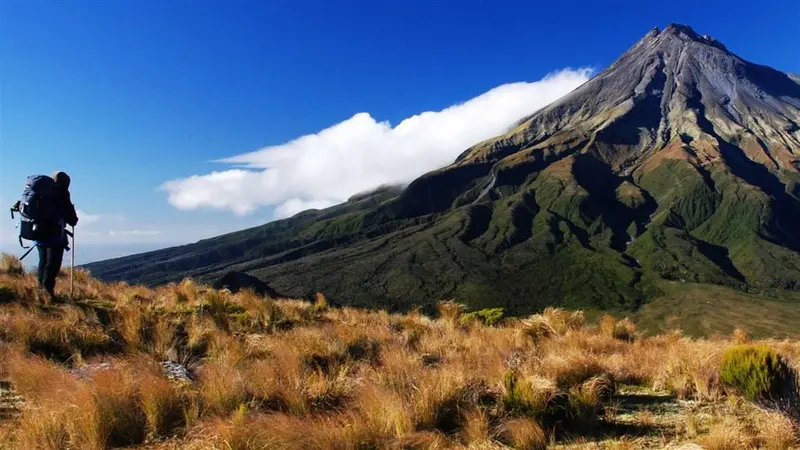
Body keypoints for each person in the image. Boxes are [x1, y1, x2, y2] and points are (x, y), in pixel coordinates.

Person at [36, 171, 79, 302]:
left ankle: (41, 291)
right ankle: (48, 294)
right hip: (54, 235)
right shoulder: (61, 194)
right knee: (52, 264)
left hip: (38, 233)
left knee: (43, 262)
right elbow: (72, 219)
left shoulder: (41, 192)